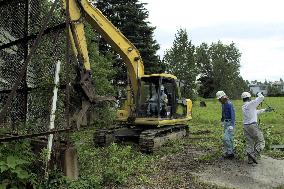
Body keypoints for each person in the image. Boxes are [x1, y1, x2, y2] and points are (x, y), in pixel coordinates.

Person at [241, 92, 274, 164]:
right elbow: (261, 98)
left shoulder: (244, 106)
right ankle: (254, 154)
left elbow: (255, 112)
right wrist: (259, 93)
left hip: (245, 126)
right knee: (261, 141)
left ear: (243, 99)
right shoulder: (251, 104)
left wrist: (265, 110)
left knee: (249, 142)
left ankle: (250, 160)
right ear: (249, 98)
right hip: (252, 126)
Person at [216, 91, 236, 159]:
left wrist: (232, 125)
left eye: (220, 99)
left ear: (223, 97)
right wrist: (222, 120)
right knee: (229, 138)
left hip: (230, 123)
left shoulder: (230, 104)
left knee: (226, 138)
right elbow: (223, 113)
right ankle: (228, 152)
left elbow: (233, 115)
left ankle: (230, 153)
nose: (219, 100)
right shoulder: (223, 104)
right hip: (226, 122)